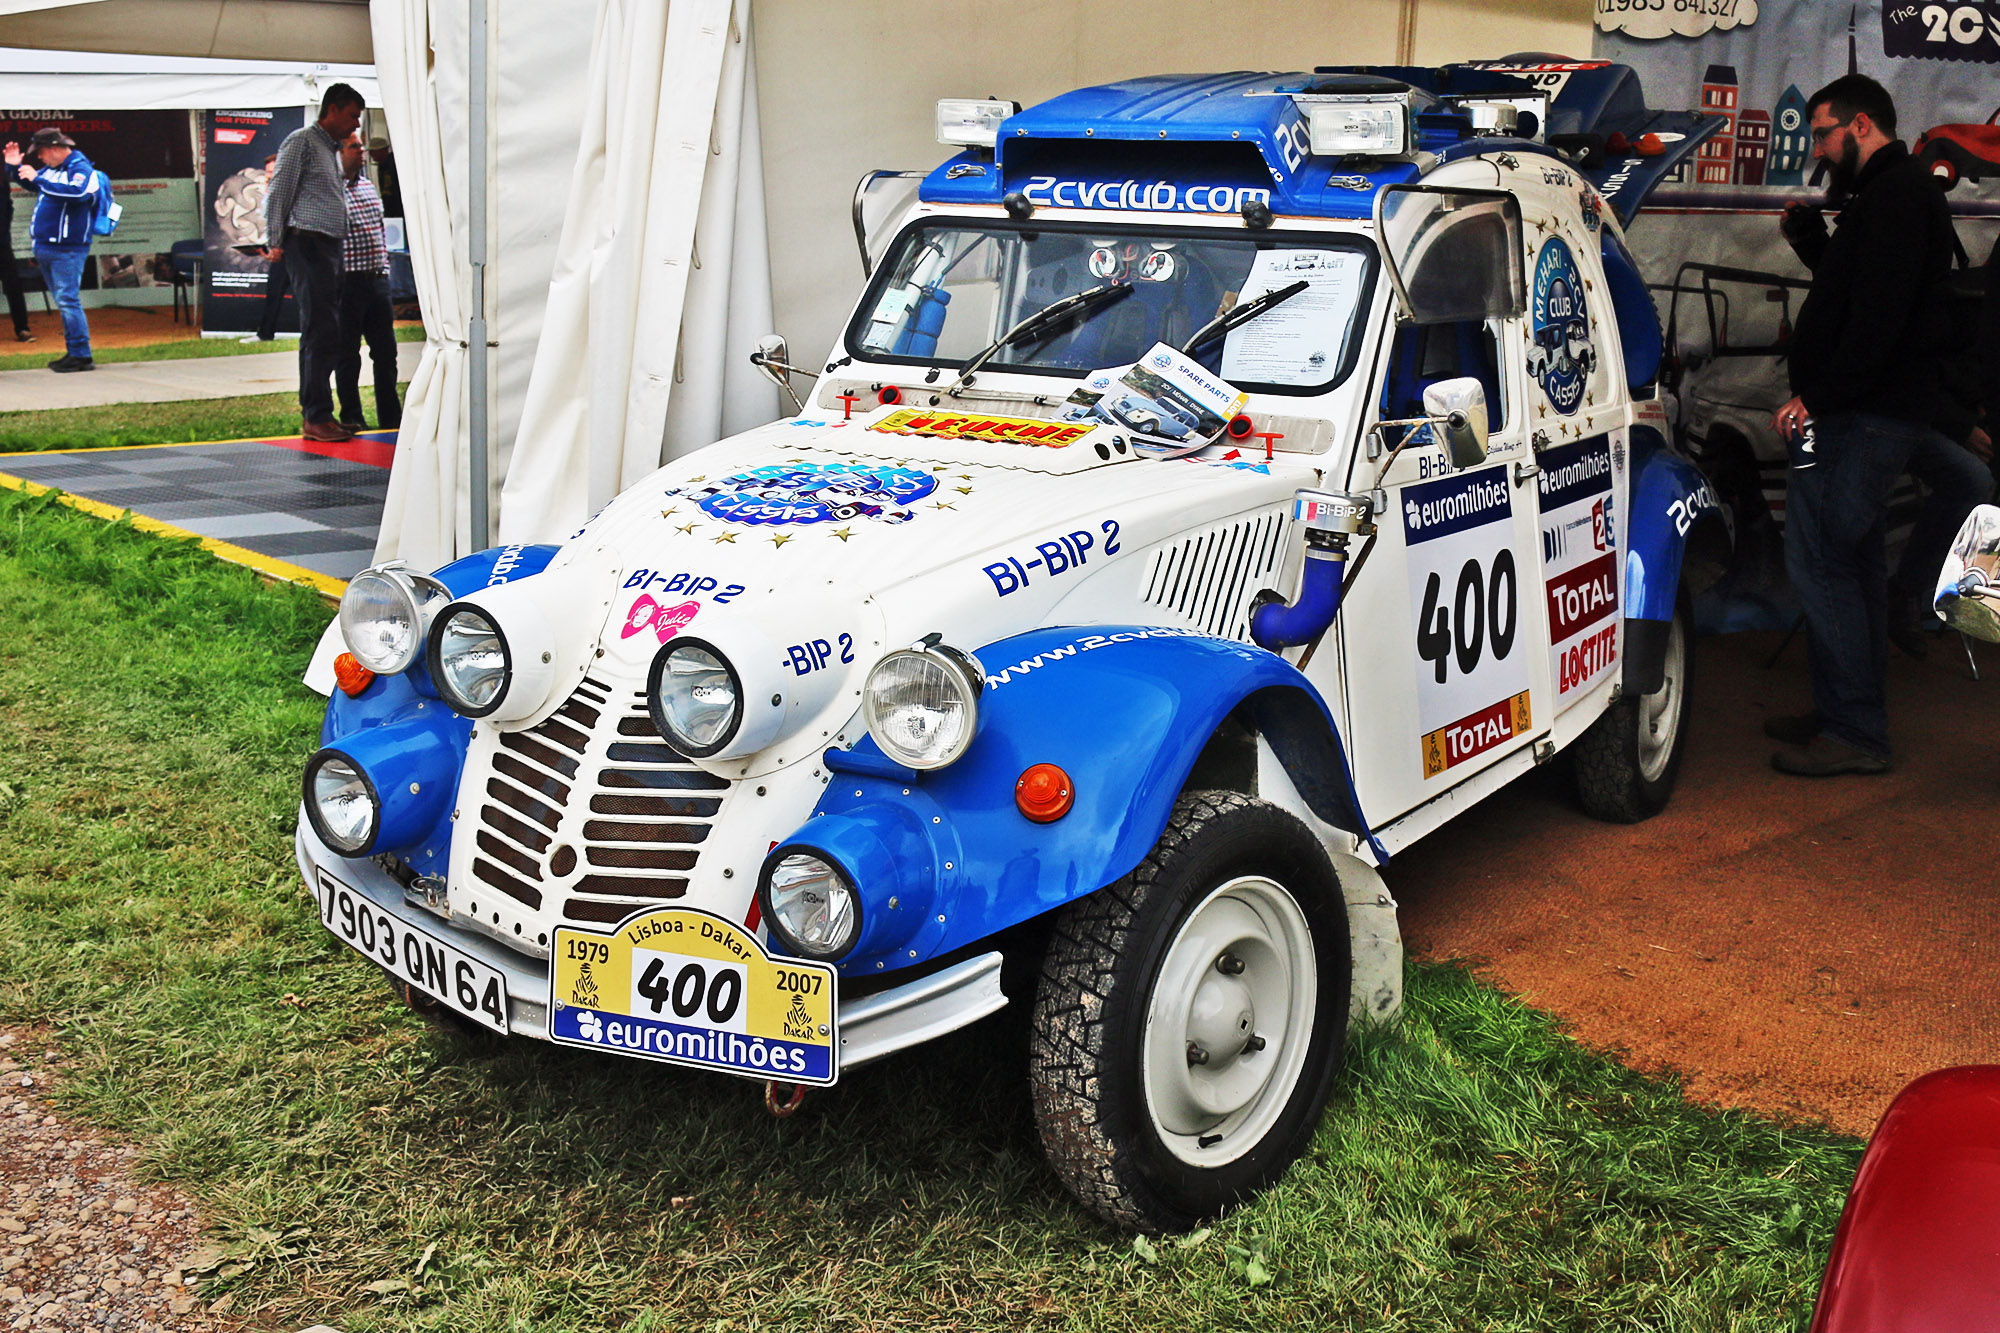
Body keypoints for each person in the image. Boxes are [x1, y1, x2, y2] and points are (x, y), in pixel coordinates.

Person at [1767, 74, 1957, 776]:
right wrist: (1812, 236)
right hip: (1861, 410)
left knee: (1823, 558)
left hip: (1865, 414)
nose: (1816, 146)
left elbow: (1880, 319)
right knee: (1850, 562)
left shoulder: (1902, 194)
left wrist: (1817, 397)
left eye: (1823, 132)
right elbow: (1854, 291)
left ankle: (1857, 727)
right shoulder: (1883, 195)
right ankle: (1843, 709)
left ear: (1863, 124)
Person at [264, 83, 366, 442]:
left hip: (328, 246)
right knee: (319, 330)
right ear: (333, 109)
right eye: (352, 116)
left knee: (330, 331)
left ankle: (324, 413)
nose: (354, 125)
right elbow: (279, 191)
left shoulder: (331, 149)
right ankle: (315, 415)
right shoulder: (302, 141)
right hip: (306, 242)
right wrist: (275, 241)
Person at [4, 127, 100, 372]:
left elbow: (78, 193)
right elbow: (36, 186)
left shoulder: (81, 169)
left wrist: (38, 177)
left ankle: (81, 355)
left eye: (42, 152)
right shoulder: (54, 170)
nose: (40, 158)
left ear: (56, 148)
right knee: (63, 301)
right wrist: (15, 168)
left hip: (67, 249)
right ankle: (74, 352)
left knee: (68, 301)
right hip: (48, 247)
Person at [335, 132, 400, 431]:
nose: (361, 152)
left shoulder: (367, 186)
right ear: (339, 152)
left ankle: (391, 418)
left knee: (386, 353)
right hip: (348, 282)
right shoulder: (331, 189)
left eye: (361, 146)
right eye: (354, 147)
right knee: (348, 354)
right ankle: (352, 416)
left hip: (377, 280)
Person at [0, 166, 30, 342]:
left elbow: (8, 207)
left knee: (13, 286)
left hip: (2, 245)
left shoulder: (3, 182)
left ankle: (22, 329)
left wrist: (4, 232)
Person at [367, 136, 403, 218]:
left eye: (372, 151)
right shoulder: (382, 165)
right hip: (391, 210)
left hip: (398, 209)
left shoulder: (393, 164)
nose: (371, 154)